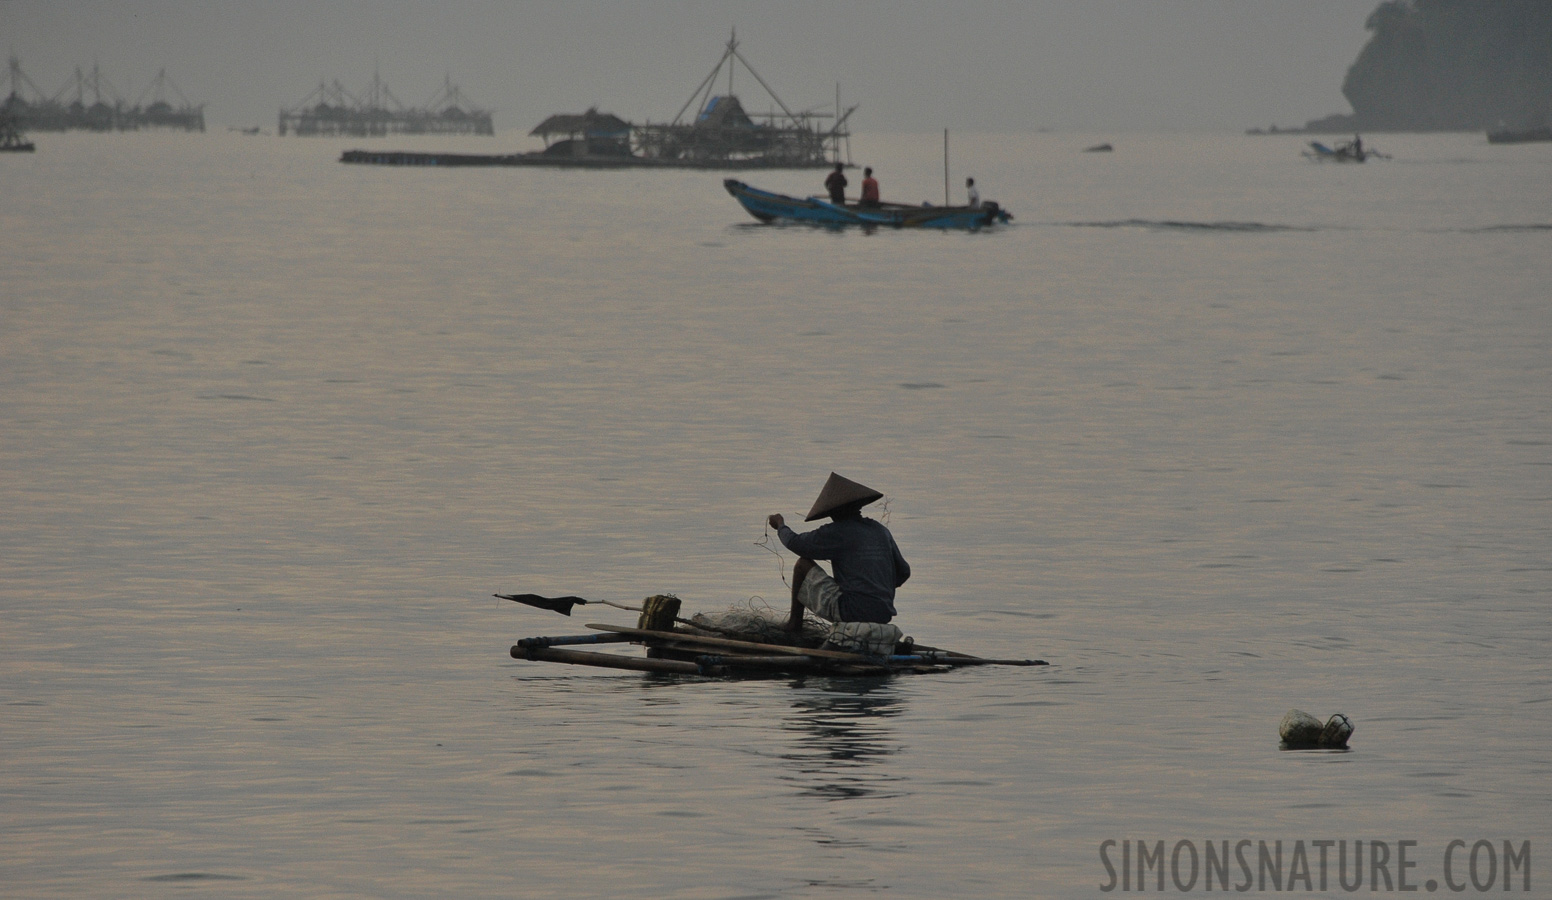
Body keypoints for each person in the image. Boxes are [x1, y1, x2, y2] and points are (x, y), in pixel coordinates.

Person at [767, 472, 910, 631]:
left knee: (802, 564)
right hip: (883, 614)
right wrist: (876, 589)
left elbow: (795, 543)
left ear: (833, 511)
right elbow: (904, 572)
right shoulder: (880, 530)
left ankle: (794, 624)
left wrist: (780, 525)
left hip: (851, 611)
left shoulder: (837, 532)